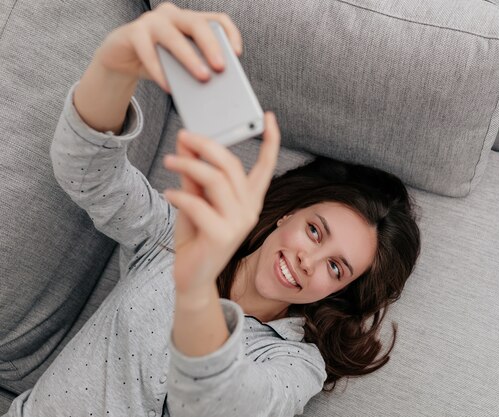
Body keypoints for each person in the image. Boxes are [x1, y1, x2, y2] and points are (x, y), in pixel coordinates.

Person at [3, 3, 420, 417]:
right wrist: (117, 62)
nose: (308, 262)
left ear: (339, 291)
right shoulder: (179, 235)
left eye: (336, 268)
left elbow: (229, 406)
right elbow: (89, 175)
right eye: (315, 231)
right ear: (288, 214)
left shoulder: (295, 363)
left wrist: (198, 285)